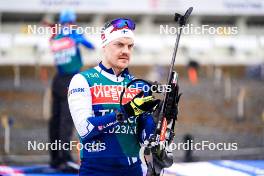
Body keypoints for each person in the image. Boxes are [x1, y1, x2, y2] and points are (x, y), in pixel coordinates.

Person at [68, 18, 160, 176]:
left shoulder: (140, 86)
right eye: (119, 44)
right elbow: (84, 130)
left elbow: (146, 140)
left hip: (133, 170)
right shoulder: (82, 80)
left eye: (130, 46)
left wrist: (159, 122)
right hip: (96, 170)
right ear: (104, 45)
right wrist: (126, 112)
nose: (126, 51)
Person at [49, 9, 95, 172]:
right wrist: (78, 37)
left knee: (55, 119)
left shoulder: (55, 36)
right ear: (72, 21)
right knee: (66, 121)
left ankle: (55, 158)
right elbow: (91, 46)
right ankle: (65, 158)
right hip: (70, 79)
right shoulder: (73, 34)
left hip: (57, 79)